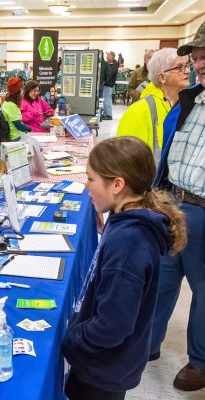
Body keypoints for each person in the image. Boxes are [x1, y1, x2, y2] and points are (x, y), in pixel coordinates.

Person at [61, 136, 187, 400]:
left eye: (91, 179)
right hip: (109, 362)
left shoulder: (128, 242)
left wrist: (72, 338)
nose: (86, 187)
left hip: (102, 368)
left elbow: (112, 327)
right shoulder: (125, 218)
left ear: (117, 185)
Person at [149, 20, 205, 392]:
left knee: (203, 289)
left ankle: (200, 361)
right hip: (172, 202)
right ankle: (148, 342)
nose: (199, 63)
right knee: (163, 278)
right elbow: (168, 154)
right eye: (196, 56)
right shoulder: (189, 100)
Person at [117, 48, 190, 162]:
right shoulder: (139, 110)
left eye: (187, 66)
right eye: (179, 67)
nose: (187, 71)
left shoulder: (187, 105)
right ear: (162, 77)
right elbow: (126, 159)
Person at [1, 77, 31, 141]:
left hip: (14, 135)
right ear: (18, 92)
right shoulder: (11, 106)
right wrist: (31, 129)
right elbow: (20, 126)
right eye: (21, 90)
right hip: (15, 138)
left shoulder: (6, 102)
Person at [102, 50, 119, 120]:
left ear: (112, 57)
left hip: (109, 84)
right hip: (106, 84)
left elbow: (110, 73)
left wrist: (104, 79)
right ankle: (105, 113)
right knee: (105, 99)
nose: (106, 57)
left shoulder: (114, 64)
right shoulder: (110, 63)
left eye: (108, 55)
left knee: (107, 99)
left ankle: (108, 115)